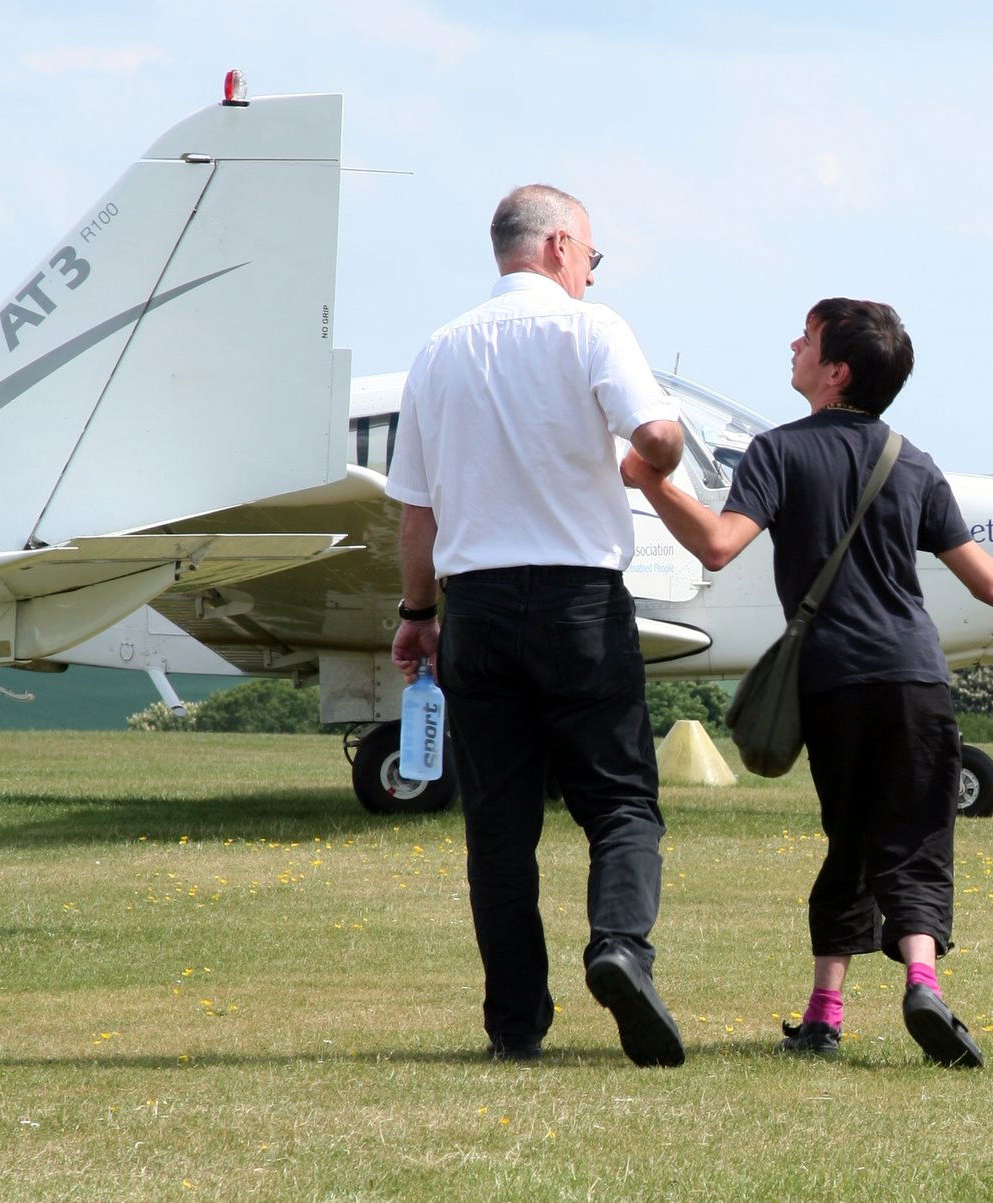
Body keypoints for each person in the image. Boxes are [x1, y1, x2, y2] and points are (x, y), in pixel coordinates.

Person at [621, 297, 993, 1069]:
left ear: (834, 372)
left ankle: (825, 1014)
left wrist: (652, 484)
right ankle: (923, 984)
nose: (793, 343)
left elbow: (719, 546)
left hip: (831, 682)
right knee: (918, 842)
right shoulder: (913, 461)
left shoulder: (776, 452)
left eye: (808, 337)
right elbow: (991, 584)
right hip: (916, 677)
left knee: (852, 839)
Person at [386, 184, 687, 1067]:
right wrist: (646, 459)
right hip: (581, 602)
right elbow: (660, 435)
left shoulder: (437, 352)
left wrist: (418, 615)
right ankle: (620, 948)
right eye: (592, 255)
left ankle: (516, 1023)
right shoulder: (591, 331)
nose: (593, 272)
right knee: (622, 801)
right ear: (559, 245)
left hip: (475, 608)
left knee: (499, 829)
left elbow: (415, 515)